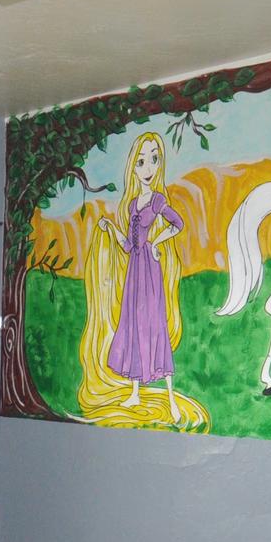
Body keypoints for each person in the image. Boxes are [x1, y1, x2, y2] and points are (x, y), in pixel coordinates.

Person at [92, 133, 187, 417]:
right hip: (135, 268)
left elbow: (178, 223)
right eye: (142, 161)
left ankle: (170, 397)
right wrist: (111, 228)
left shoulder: (157, 200)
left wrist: (156, 243)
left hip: (149, 267)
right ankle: (135, 392)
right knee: (133, 323)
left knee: (154, 322)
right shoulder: (133, 205)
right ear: (133, 167)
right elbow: (128, 246)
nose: (149, 169)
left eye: (154, 160)